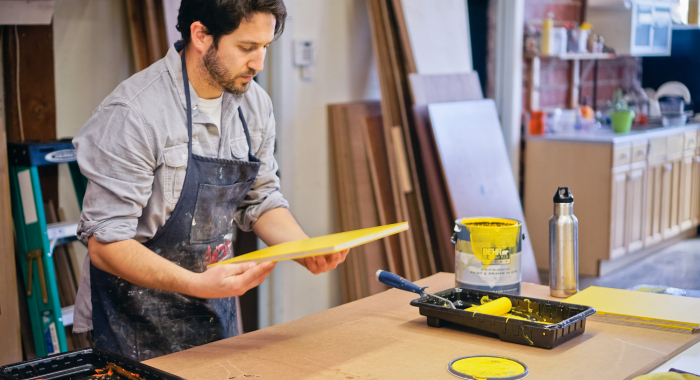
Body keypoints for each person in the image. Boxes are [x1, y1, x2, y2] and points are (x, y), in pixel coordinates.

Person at [71, 0, 348, 361]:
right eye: (247, 47)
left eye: (265, 47)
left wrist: (303, 247)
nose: (259, 63)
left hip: (213, 317)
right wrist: (198, 284)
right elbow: (106, 244)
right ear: (201, 35)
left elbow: (260, 200)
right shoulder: (135, 114)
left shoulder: (254, 105)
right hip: (130, 326)